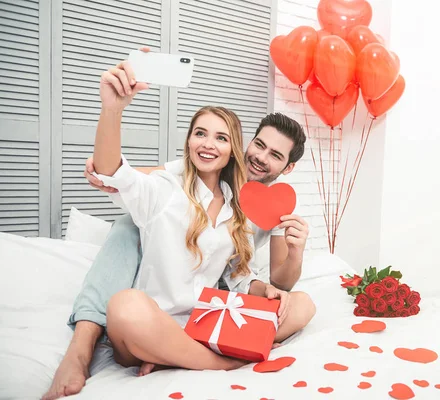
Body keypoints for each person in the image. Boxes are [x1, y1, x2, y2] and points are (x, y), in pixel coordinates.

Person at [42, 58, 315, 400]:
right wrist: (109, 148)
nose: (260, 157)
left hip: (207, 310)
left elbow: (246, 275)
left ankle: (173, 354)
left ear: (286, 168)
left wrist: (288, 262)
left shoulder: (243, 206)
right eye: (258, 144)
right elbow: (126, 175)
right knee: (127, 269)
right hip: (157, 312)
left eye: (275, 155)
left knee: (303, 304)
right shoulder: (168, 186)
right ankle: (218, 362)